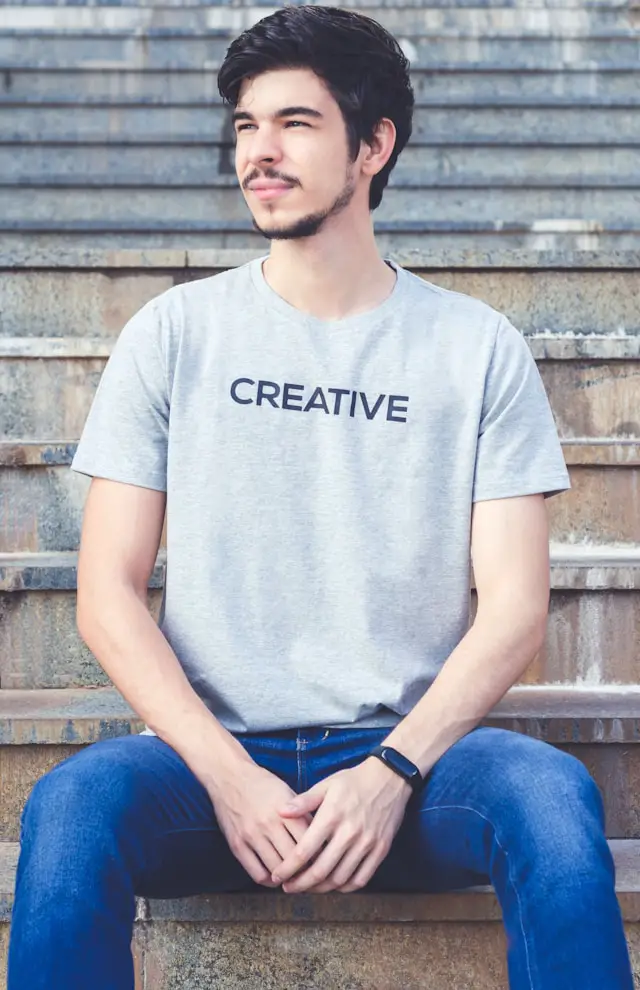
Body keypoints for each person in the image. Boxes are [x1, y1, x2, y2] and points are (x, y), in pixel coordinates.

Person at [7, 6, 633, 988]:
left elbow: (514, 611)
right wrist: (229, 777)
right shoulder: (172, 333)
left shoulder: (473, 348)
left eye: (294, 123)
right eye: (247, 126)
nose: (260, 151)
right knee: (73, 807)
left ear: (372, 146)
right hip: (207, 767)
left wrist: (391, 772)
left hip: (412, 767)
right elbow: (106, 592)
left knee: (548, 797)